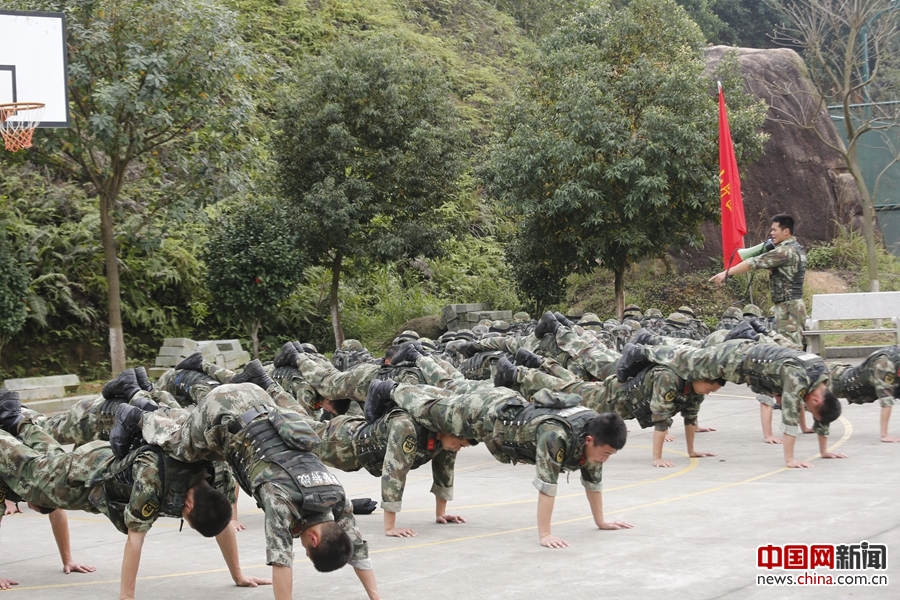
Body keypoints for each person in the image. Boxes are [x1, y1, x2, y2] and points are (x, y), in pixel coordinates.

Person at [114, 381, 382, 600]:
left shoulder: (337, 493)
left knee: (193, 435)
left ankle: (145, 400)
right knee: (180, 447)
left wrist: (376, 597)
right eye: (307, 550)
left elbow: (357, 549)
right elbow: (281, 563)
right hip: (221, 410)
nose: (301, 546)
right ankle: (138, 416)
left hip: (258, 396)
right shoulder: (281, 499)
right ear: (313, 541)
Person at [0, 391, 238, 600]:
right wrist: (126, 596)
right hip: (84, 476)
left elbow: (220, 520)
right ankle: (11, 422)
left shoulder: (214, 471)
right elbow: (135, 540)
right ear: (187, 504)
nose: (182, 515)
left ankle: (16, 419)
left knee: (49, 460)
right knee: (31, 471)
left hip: (100, 461)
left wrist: (238, 576)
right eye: (185, 516)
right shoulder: (153, 481)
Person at [365, 380, 632, 548]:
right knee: (430, 410)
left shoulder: (597, 436)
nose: (604, 459)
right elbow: (547, 486)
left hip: (503, 416)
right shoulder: (556, 435)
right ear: (589, 440)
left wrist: (602, 521)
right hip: (483, 412)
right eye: (605, 454)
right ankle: (390, 388)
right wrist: (545, 534)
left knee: (450, 391)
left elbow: (593, 480)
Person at [618, 339, 844, 468]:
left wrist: (824, 451)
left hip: (750, 363)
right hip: (734, 358)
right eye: (811, 409)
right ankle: (640, 349)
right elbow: (790, 418)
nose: (809, 410)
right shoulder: (799, 378)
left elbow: (824, 412)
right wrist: (790, 459)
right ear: (815, 399)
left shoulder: (821, 375)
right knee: (687, 360)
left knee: (693, 356)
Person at [493, 356, 722, 467]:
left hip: (620, 406)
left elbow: (690, 417)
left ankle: (539, 362)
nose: (709, 392)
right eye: (710, 387)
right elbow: (661, 418)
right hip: (610, 399)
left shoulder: (694, 389)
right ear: (700, 376)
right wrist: (657, 457)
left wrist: (692, 451)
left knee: (571, 384)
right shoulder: (669, 378)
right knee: (567, 389)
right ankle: (517, 373)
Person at [709, 214, 807, 347]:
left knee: (790, 348)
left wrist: (726, 273)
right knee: (789, 346)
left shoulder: (784, 251)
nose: (771, 233)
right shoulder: (796, 248)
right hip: (791, 304)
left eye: (774, 230)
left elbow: (753, 262)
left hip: (788, 307)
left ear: (786, 231)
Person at [829, 345, 900, 442]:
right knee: (812, 399)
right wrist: (884, 435)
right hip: (840, 384)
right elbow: (886, 400)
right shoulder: (885, 364)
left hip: (861, 385)